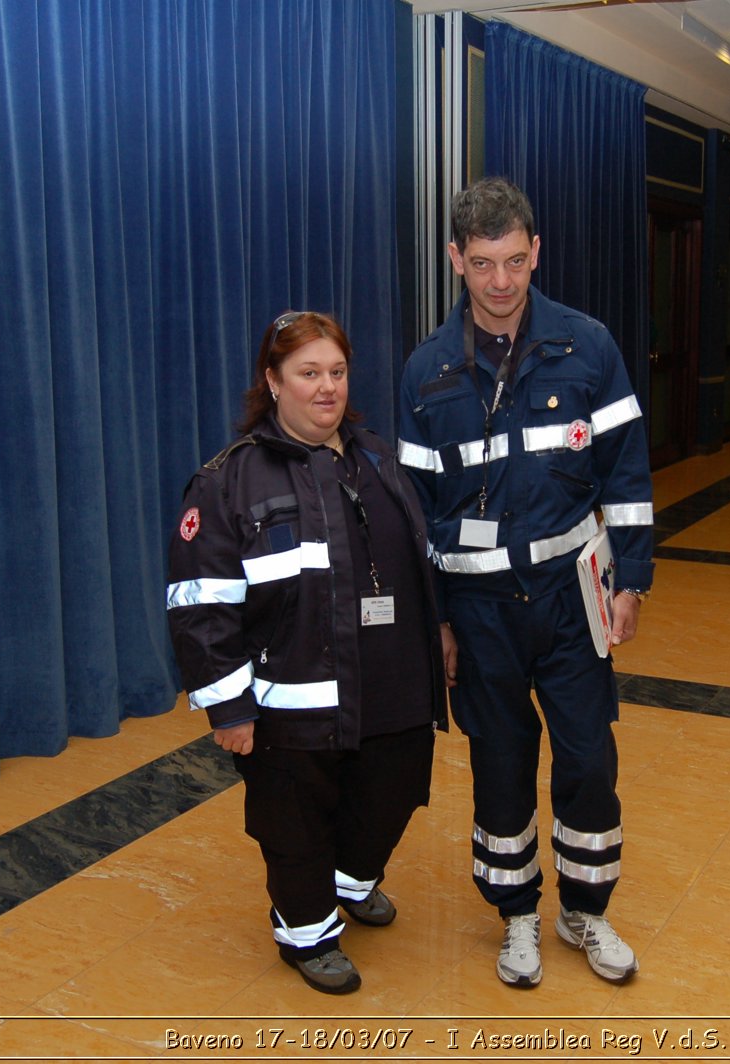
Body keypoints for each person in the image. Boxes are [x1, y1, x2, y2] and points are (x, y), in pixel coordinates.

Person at [397, 177, 653, 988]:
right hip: (477, 611)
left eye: (514, 260)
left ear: (536, 251)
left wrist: (632, 580)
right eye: (482, 264)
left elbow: (627, 473)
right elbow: (413, 514)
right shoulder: (427, 371)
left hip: (572, 598)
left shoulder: (589, 347)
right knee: (501, 763)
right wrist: (434, 623)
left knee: (587, 758)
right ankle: (516, 918)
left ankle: (586, 909)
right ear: (455, 261)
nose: (501, 282)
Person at [166, 311, 447, 995]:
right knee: (296, 825)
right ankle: (308, 933)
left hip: (392, 685)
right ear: (273, 381)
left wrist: (440, 637)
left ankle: (350, 884)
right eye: (309, 373)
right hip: (292, 702)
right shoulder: (226, 483)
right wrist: (228, 709)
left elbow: (415, 566)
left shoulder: (379, 458)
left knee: (393, 793)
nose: (328, 388)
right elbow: (200, 607)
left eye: (338, 372)